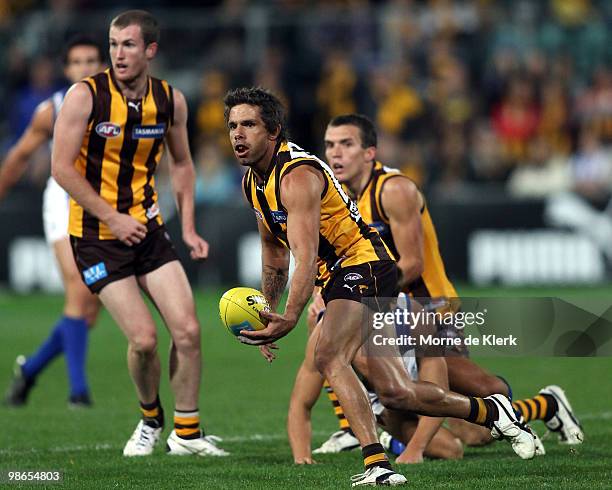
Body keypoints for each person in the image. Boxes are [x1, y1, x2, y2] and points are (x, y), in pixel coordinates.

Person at [225, 88, 535, 487]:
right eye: (233, 125)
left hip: (362, 264)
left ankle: (377, 464)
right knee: (395, 391)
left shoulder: (296, 175)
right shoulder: (254, 181)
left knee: (329, 355)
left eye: (248, 124)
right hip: (345, 272)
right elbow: (274, 254)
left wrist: (289, 316)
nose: (238, 134)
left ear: (273, 131)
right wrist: (266, 310)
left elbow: (304, 253)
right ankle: (493, 413)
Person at [303, 113, 583, 460]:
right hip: (386, 311)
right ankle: (354, 428)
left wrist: (352, 294)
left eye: (346, 144)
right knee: (394, 392)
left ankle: (545, 404)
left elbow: (412, 263)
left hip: (430, 309)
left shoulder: (394, 189)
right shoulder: (341, 198)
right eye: (330, 145)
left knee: (478, 419)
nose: (335, 153)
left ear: (369, 152)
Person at [51, 10, 226, 458]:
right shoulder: (84, 96)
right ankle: (150, 419)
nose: (118, 54)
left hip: (148, 230)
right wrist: (111, 216)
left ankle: (187, 434)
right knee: (144, 340)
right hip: (95, 235)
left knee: (188, 330)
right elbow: (61, 168)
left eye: (128, 45)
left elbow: (183, 163)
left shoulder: (171, 101)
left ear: (150, 50)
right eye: (113, 45)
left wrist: (187, 225)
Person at [2, 35, 106, 408]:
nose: (85, 68)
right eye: (77, 62)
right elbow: (18, 157)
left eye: (92, 60)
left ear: (104, 64)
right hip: (62, 202)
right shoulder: (53, 109)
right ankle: (78, 392)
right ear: (67, 69)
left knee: (90, 310)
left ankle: (29, 371)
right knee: (79, 292)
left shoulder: (122, 106)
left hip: (105, 204)